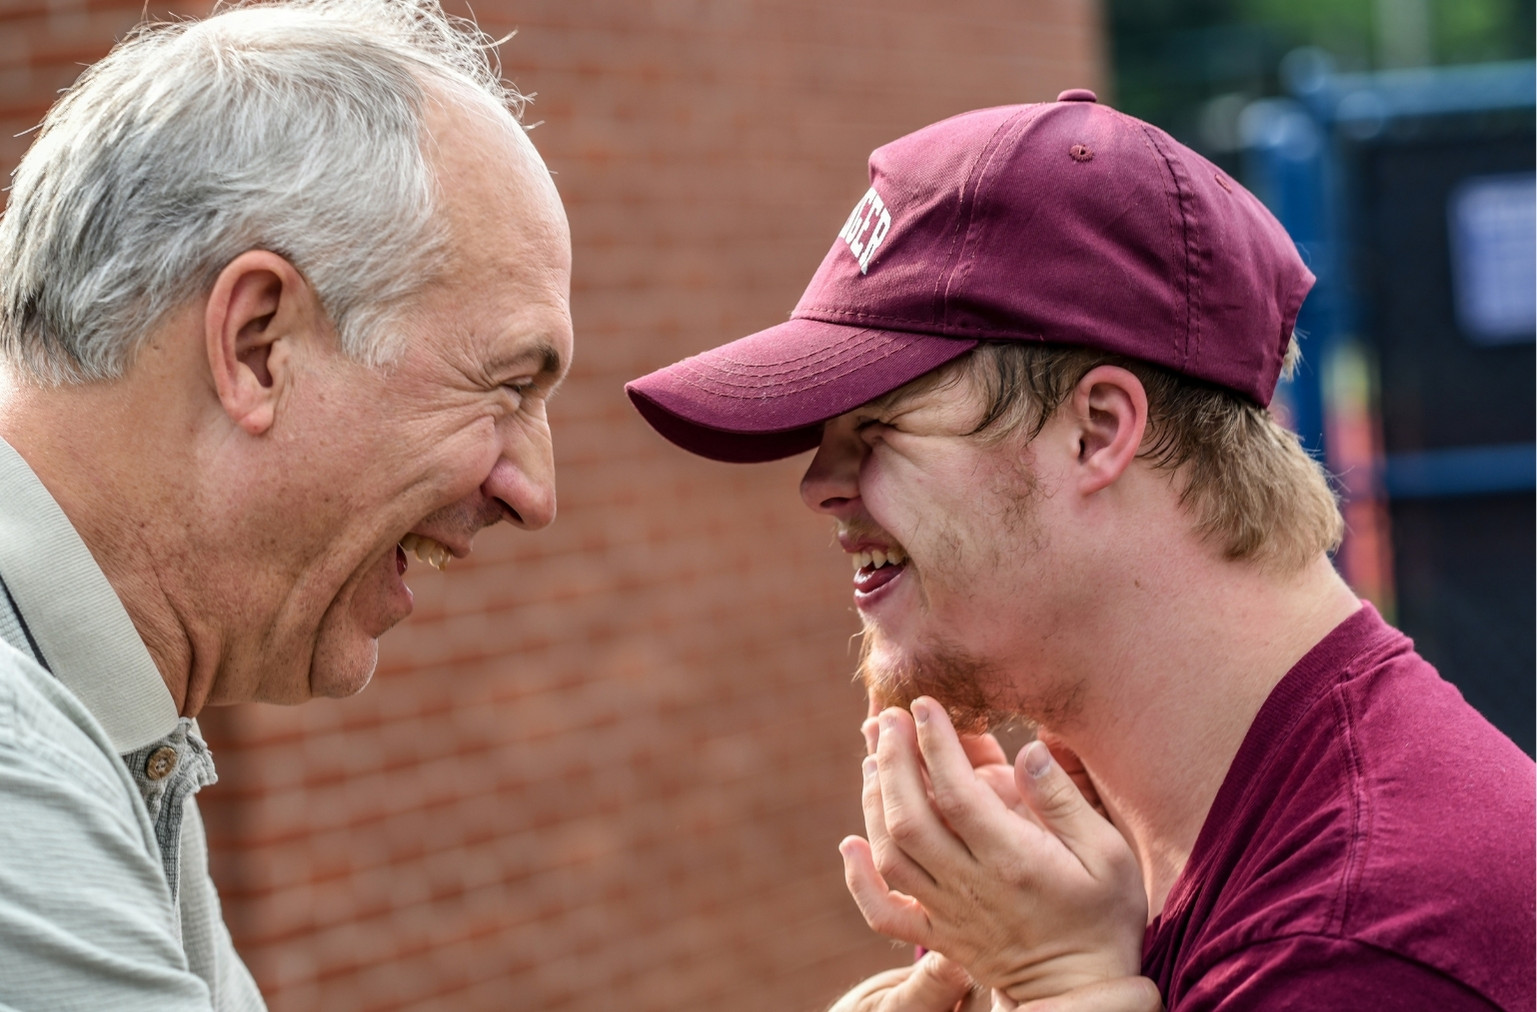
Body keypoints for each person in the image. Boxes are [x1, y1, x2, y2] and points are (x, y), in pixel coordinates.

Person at [627, 92, 1535, 1010]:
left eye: (879, 425)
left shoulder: (1355, 947)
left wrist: (1057, 988)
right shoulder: (1160, 856)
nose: (817, 483)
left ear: (1097, 431)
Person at [0, 0, 571, 1006]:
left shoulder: (107, 725)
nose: (533, 493)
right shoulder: (18, 764)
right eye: (508, 386)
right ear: (258, 345)